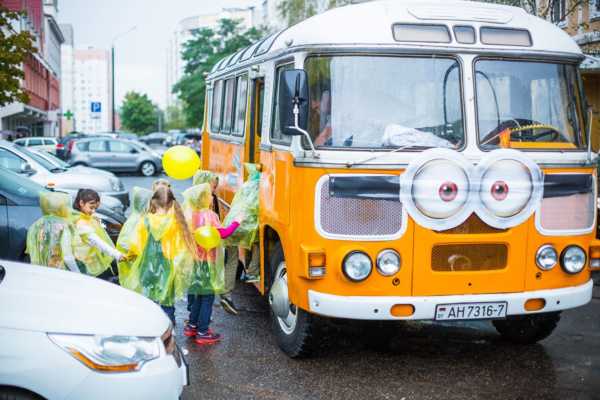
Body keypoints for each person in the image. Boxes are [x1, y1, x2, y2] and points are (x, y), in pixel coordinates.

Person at [125, 185, 196, 325]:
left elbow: (135, 244)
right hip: (168, 267)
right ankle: (168, 327)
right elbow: (181, 248)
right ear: (171, 204)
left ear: (153, 202)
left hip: (147, 266)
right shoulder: (176, 222)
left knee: (148, 297)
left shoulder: (145, 221)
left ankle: (150, 325)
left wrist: (130, 256)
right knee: (167, 299)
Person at [182, 183, 243, 344]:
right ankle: (203, 332)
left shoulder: (191, 215)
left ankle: (192, 326)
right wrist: (237, 221)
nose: (212, 197)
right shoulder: (210, 216)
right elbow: (223, 234)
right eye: (209, 195)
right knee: (207, 297)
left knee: (197, 295)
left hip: (194, 262)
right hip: (207, 263)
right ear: (204, 199)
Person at [71, 189, 124, 277]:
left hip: (92, 261)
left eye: (95, 208)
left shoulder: (87, 218)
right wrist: (117, 255)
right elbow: (97, 241)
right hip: (88, 264)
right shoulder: (81, 222)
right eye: (91, 207)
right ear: (81, 203)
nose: (93, 211)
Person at [26, 191, 80, 272]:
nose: (69, 210)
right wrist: (78, 273)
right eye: (67, 206)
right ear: (62, 208)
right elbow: (67, 256)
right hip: (57, 272)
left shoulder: (37, 225)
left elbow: (32, 249)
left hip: (38, 270)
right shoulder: (63, 226)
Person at [116, 186, 152, 289]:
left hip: (134, 265)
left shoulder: (138, 217)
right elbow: (125, 243)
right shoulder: (138, 220)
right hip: (132, 266)